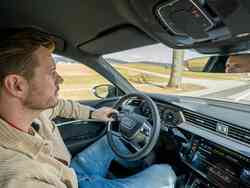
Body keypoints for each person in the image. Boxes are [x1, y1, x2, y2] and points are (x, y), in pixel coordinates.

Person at [0, 28, 176, 188]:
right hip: (68, 182)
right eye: (52, 72)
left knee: (112, 141)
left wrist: (95, 114)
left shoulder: (31, 113)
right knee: (165, 173)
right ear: (17, 85)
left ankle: (147, 164)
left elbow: (61, 106)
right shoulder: (21, 177)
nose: (60, 79)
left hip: (69, 171)